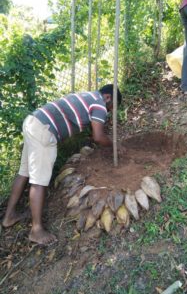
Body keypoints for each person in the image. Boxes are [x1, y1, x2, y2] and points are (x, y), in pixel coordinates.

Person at [2, 84, 122, 245]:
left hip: (33, 122)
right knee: (39, 181)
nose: (108, 112)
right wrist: (115, 146)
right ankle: (36, 230)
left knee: (24, 172)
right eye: (111, 108)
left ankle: (9, 216)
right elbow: (98, 137)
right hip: (44, 131)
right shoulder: (99, 104)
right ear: (108, 97)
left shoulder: (88, 96)